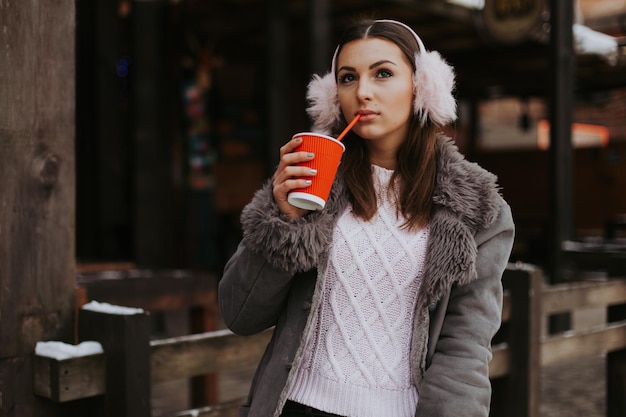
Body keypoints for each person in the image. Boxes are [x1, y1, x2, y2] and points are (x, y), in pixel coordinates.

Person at [218, 18, 515, 417]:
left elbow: (465, 346)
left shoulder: (476, 209)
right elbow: (240, 315)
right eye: (347, 77)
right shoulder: (311, 183)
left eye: (383, 73)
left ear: (421, 85)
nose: (362, 92)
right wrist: (282, 222)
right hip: (295, 406)